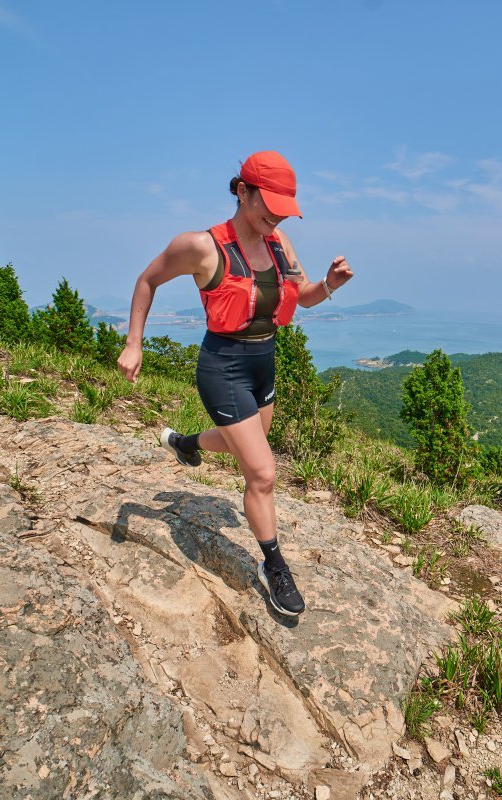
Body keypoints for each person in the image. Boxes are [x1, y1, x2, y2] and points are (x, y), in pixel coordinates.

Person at [117, 151, 354, 616]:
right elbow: (147, 280)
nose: (277, 216)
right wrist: (134, 343)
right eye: (269, 204)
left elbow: (301, 299)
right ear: (242, 191)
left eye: (284, 207)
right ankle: (273, 565)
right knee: (262, 473)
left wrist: (328, 285)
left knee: (251, 442)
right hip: (223, 365)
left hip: (264, 360)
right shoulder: (202, 247)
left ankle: (186, 443)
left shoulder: (280, 243)